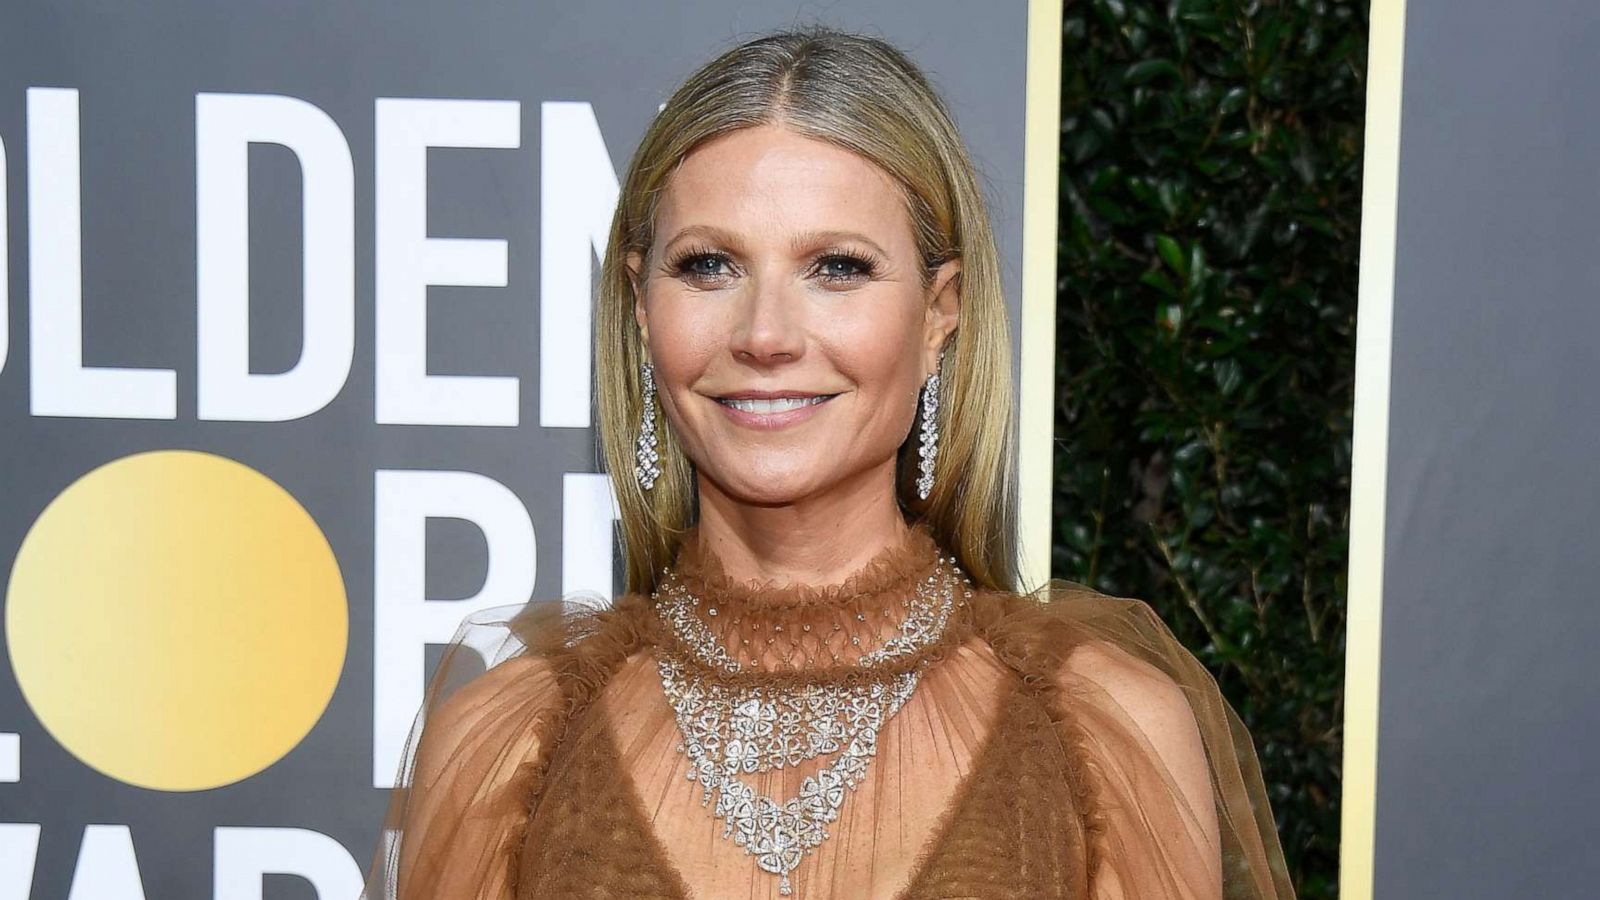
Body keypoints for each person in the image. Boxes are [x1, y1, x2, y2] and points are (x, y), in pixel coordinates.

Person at [362, 26, 1296, 900]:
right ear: (642, 312)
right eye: (708, 266)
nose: (765, 334)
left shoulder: (1104, 727)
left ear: (941, 314)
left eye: (838, 267)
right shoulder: (507, 740)